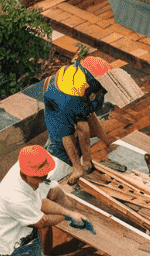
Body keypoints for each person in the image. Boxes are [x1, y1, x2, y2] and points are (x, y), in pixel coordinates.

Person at [42, 56, 114, 184]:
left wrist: (89, 156)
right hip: (60, 99)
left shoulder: (81, 74)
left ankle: (85, 162)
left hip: (68, 90)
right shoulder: (65, 100)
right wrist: (85, 160)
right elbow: (82, 129)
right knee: (65, 133)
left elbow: (86, 119)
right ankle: (77, 168)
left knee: (83, 117)